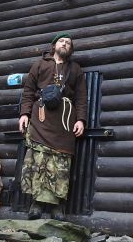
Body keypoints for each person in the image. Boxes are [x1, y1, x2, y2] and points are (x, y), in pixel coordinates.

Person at [18, 33, 87, 220]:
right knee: (38, 160)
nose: (64, 44)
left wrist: (81, 120)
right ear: (54, 45)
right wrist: (24, 114)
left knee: (61, 163)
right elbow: (28, 91)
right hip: (40, 118)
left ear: (71, 49)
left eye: (68, 43)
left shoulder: (75, 69)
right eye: (61, 41)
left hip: (64, 122)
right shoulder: (39, 65)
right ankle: (36, 204)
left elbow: (81, 97)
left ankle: (58, 206)